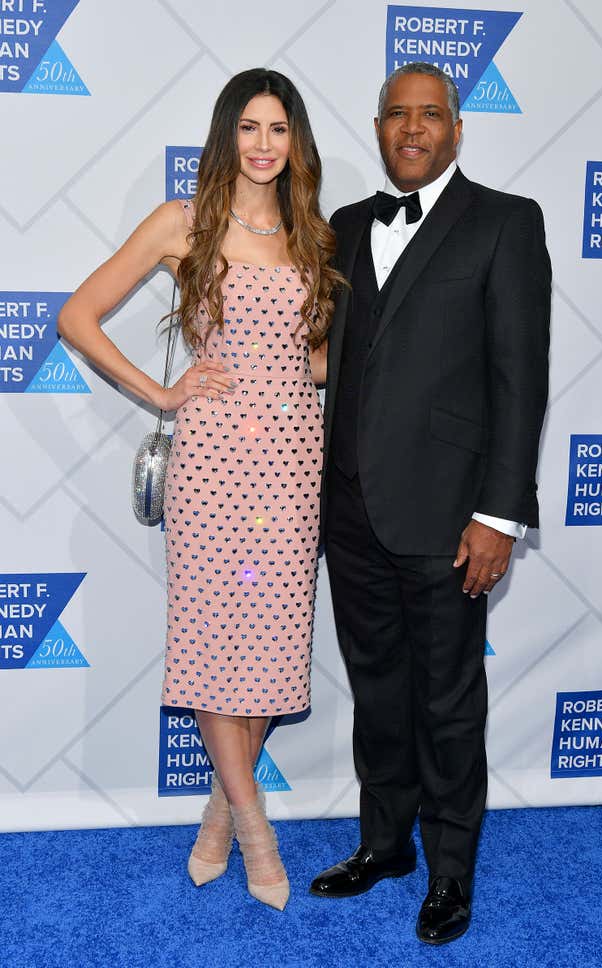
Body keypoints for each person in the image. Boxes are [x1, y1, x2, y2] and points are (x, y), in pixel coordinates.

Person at [58, 68, 343, 911]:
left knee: (270, 648)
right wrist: (160, 391)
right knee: (217, 647)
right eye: (249, 128)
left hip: (293, 467)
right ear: (227, 136)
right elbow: (78, 316)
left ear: (297, 143)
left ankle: (221, 812)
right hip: (214, 467)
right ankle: (257, 833)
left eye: (278, 129)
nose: (263, 144)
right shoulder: (182, 224)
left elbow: (314, 359)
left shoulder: (314, 238)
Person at [310, 62, 551, 945]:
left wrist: (498, 515)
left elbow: (519, 381)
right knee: (377, 692)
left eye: (429, 116)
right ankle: (385, 846)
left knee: (447, 700)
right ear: (378, 128)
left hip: (452, 520)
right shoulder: (343, 227)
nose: (411, 129)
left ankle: (450, 870)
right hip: (351, 512)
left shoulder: (505, 223)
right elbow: (330, 360)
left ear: (455, 128)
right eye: (396, 116)